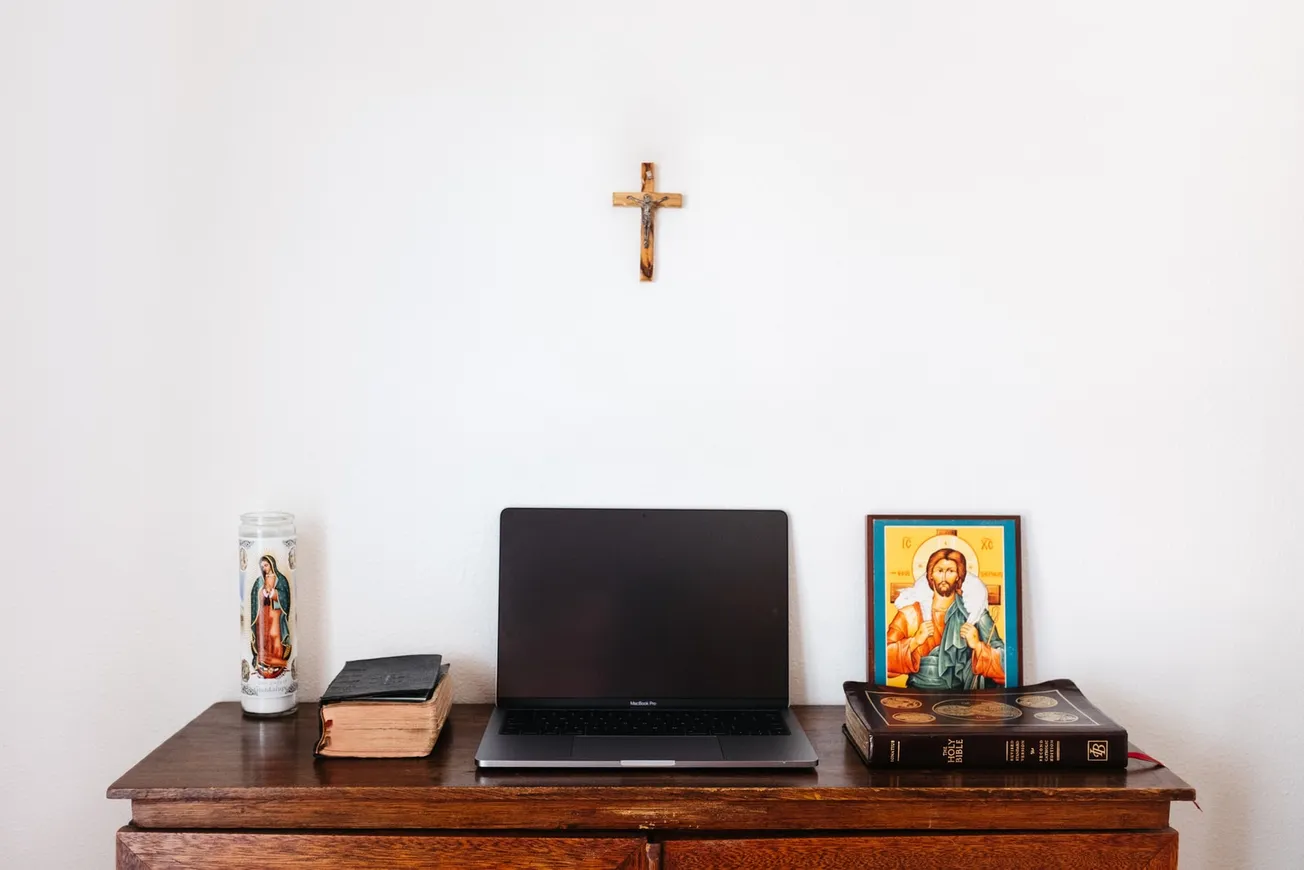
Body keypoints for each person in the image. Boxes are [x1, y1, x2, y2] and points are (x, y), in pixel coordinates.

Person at [885, 548, 1004, 689]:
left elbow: (1007, 664)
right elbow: (882, 659)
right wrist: (914, 642)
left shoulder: (974, 614)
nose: (944, 577)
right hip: (916, 695)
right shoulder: (911, 614)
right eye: (939, 571)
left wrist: (977, 645)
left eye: (951, 571)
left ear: (959, 577)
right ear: (930, 576)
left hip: (961, 699)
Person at [251, 554, 292, 678]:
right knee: (265, 635)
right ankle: (265, 661)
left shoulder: (281, 579)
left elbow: (285, 595)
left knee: (275, 635)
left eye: (266, 565)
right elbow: (255, 595)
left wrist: (274, 593)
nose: (264, 568)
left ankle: (277, 660)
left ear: (272, 564)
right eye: (262, 566)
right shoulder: (260, 580)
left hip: (276, 612)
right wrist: (262, 593)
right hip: (264, 612)